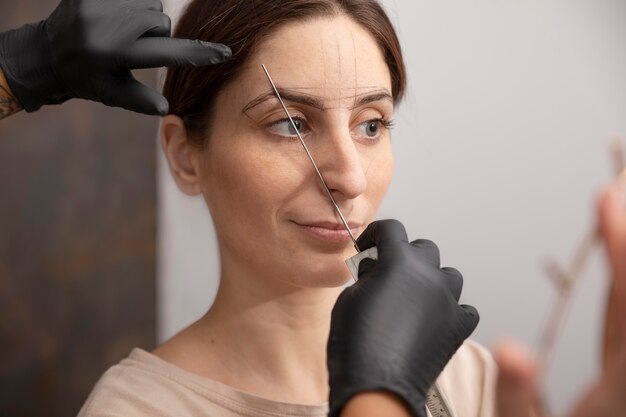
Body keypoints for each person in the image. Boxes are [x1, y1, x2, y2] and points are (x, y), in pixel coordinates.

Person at [0, 1, 624, 417]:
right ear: (186, 156)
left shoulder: (465, 376)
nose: (350, 176)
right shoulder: (136, 411)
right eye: (289, 123)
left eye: (372, 124)